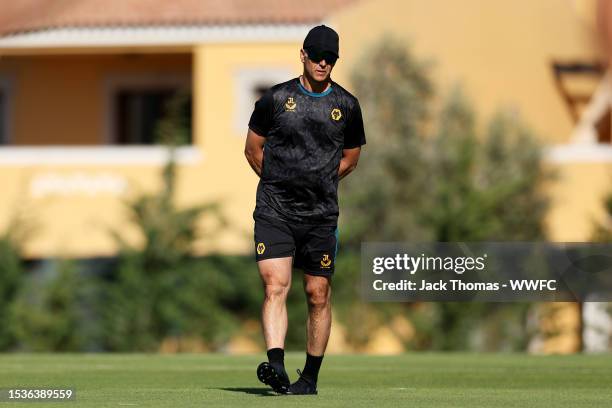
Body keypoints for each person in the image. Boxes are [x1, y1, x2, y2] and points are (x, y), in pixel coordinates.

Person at [244, 25, 366, 395]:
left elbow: (350, 158)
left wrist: (318, 185)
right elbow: (253, 150)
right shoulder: (276, 99)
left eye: (330, 58)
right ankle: (276, 365)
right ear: (303, 55)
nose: (323, 62)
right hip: (274, 212)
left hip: (321, 217)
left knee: (318, 293)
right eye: (316, 55)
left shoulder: (346, 106)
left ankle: (309, 379)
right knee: (275, 285)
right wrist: (282, 183)